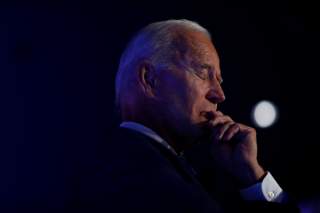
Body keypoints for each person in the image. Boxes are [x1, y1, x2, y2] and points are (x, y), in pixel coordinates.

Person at [76, 19, 299, 212]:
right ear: (150, 79)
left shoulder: (135, 166)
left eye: (219, 81)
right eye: (203, 72)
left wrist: (250, 173)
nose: (219, 95)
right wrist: (254, 179)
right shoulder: (142, 179)